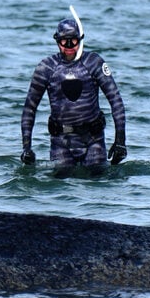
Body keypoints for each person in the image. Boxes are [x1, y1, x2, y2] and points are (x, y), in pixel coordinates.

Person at [21, 11, 127, 175]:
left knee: (98, 183)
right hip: (61, 142)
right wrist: (26, 148)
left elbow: (116, 101)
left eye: (74, 41)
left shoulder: (94, 63)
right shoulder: (46, 68)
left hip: (93, 140)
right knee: (60, 189)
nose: (69, 46)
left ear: (80, 40)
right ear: (57, 41)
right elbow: (29, 108)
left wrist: (120, 141)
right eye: (64, 41)